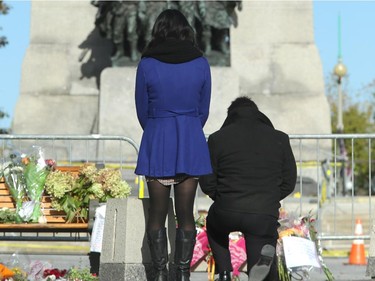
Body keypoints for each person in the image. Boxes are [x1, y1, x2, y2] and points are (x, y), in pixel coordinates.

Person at [134, 9, 212, 281]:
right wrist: (188, 126)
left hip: (158, 137)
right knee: (186, 213)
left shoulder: (147, 64)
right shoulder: (201, 63)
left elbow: (141, 109)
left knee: (156, 212)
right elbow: (204, 109)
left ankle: (158, 274)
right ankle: (181, 274)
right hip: (190, 136)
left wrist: (158, 126)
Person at [199, 97, 297, 281]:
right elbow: (289, 181)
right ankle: (259, 268)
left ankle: (225, 271)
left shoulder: (217, 139)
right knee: (261, 248)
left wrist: (222, 197)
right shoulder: (280, 139)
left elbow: (206, 182)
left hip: (227, 209)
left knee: (214, 226)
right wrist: (271, 197)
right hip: (263, 213)